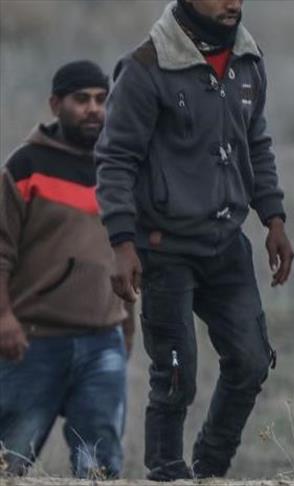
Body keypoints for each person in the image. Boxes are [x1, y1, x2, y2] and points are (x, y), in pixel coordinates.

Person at [94, 0, 294, 480]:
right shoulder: (146, 67)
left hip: (226, 244)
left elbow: (256, 141)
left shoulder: (248, 61)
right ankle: (166, 471)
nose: (233, 3)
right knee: (176, 374)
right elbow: (115, 159)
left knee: (251, 362)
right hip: (164, 248)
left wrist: (273, 217)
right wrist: (122, 242)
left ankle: (210, 470)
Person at [0, 60, 133, 479]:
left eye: (101, 99)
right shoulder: (25, 167)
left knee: (100, 468)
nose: (94, 109)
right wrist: (3, 318)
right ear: (56, 105)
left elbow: (128, 255)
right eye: (82, 100)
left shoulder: (118, 169)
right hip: (32, 342)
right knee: (7, 461)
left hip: (103, 342)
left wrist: (128, 325)